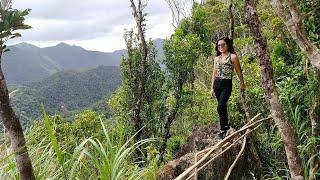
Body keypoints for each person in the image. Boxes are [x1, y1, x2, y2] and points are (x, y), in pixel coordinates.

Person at [210, 37, 245, 139]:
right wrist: (211, 87)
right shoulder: (216, 58)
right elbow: (214, 73)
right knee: (222, 106)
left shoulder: (233, 57)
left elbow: (239, 71)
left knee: (220, 106)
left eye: (223, 44)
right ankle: (225, 126)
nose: (220, 47)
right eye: (219, 45)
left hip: (226, 84)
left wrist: (242, 83)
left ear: (228, 45)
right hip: (217, 84)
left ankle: (222, 129)